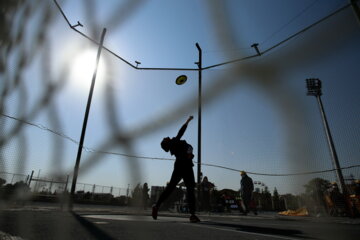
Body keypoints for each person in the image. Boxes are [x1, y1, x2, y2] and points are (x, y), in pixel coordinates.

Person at [152, 116, 200, 223]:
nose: (166, 137)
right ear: (167, 143)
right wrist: (187, 121)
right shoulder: (174, 141)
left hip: (179, 165)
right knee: (190, 190)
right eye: (165, 138)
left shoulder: (174, 146)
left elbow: (188, 149)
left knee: (170, 188)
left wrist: (189, 154)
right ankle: (192, 214)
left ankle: (156, 205)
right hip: (185, 166)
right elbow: (181, 132)